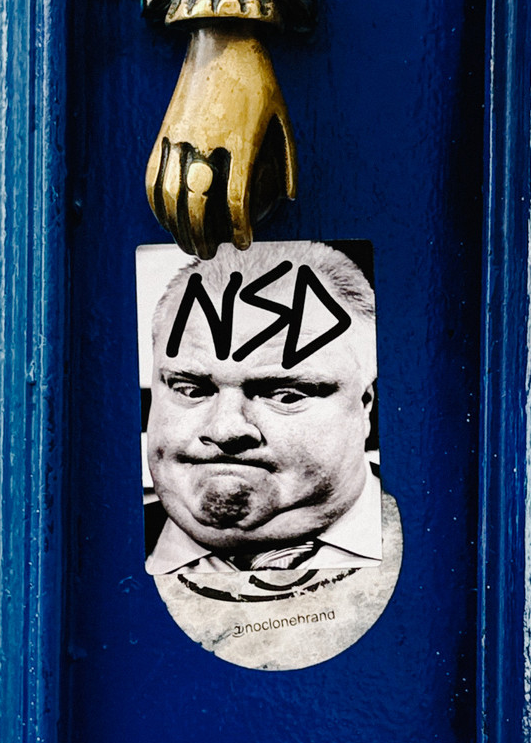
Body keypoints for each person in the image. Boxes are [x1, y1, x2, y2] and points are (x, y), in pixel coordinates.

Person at [144, 241, 382, 575]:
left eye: (285, 396)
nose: (225, 430)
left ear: (364, 405)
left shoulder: (443, 541)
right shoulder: (97, 550)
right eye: (191, 389)